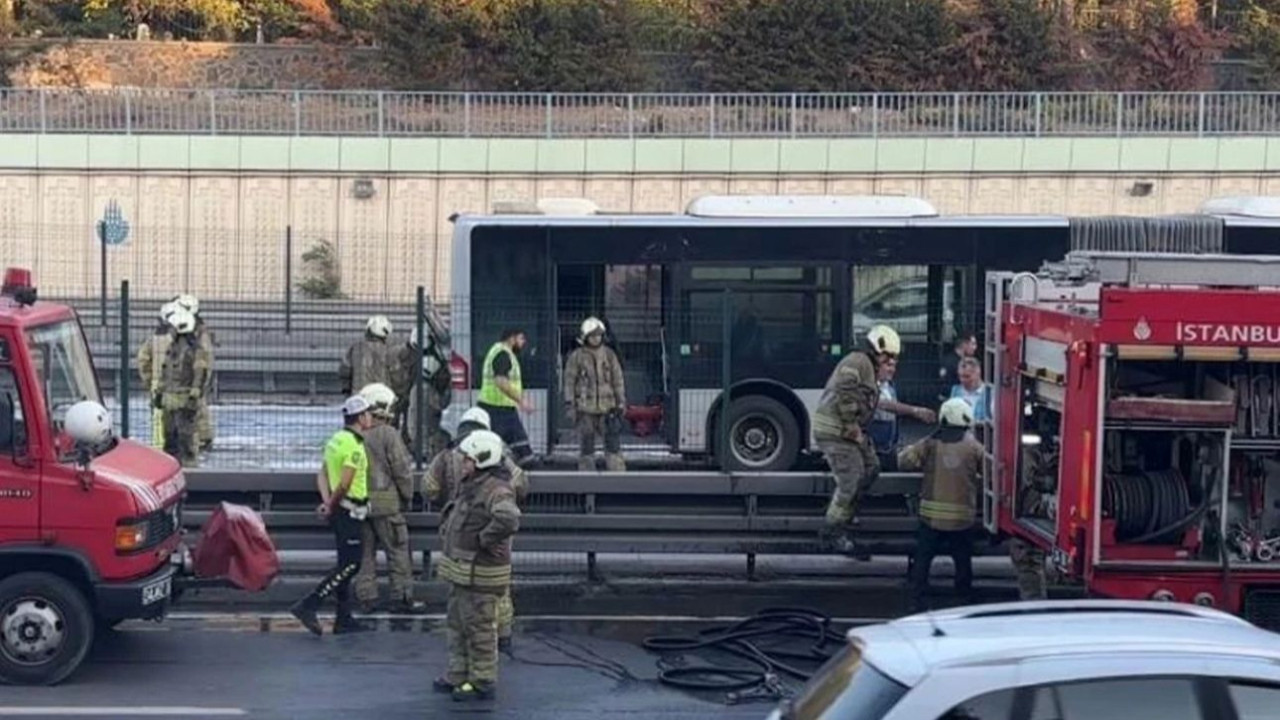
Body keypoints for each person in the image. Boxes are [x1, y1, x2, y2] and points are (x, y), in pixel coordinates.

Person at [425, 406, 527, 653]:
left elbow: (428, 488)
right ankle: (501, 635)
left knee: (459, 590)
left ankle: (464, 643)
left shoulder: (446, 455)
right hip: (492, 536)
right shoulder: (499, 456)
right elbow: (521, 485)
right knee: (497, 589)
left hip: (458, 534)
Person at [434, 429, 521, 701]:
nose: (463, 464)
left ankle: (482, 681)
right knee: (458, 625)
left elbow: (508, 518)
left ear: (482, 459)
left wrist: (485, 538)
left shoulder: (495, 489)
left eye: (468, 459)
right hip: (464, 573)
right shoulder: (472, 485)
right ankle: (458, 673)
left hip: (480, 576)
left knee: (480, 630)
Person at [290, 395, 377, 636]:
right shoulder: (355, 446)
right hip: (349, 509)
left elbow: (323, 473)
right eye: (368, 414)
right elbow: (346, 483)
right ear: (360, 417)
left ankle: (343, 618)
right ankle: (310, 603)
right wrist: (331, 502)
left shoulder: (335, 440)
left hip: (338, 509)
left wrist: (327, 502)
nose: (371, 418)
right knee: (352, 564)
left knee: (343, 563)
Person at [814, 324, 900, 555]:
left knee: (872, 468)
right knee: (850, 479)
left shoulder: (869, 368)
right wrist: (852, 424)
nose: (891, 363)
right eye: (888, 357)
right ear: (877, 350)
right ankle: (832, 531)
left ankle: (845, 511)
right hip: (836, 432)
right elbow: (846, 391)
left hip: (847, 431)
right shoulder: (858, 361)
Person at [899, 398, 984, 613]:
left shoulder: (930, 443)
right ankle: (964, 597)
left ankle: (918, 597)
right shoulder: (973, 446)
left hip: (931, 519)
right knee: (963, 559)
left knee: (923, 557)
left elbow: (904, 461)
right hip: (962, 520)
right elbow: (989, 471)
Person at [352, 383, 423, 614]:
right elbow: (401, 469)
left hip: (359, 505)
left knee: (365, 555)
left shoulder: (355, 434)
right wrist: (408, 495)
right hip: (388, 506)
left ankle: (367, 599)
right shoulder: (389, 434)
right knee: (398, 551)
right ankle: (401, 598)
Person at [563, 316, 627, 472]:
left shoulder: (610, 355)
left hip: (608, 409)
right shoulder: (576, 357)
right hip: (585, 410)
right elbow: (569, 382)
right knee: (587, 447)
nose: (596, 338)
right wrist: (570, 404)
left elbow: (618, 380)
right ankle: (586, 480)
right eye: (592, 335)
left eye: (598, 335)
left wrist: (621, 402)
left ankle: (619, 479)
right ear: (585, 337)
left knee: (613, 447)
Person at [157, 308, 209, 468]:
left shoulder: (195, 351)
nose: (170, 331)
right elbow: (165, 372)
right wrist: (159, 392)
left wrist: (194, 395)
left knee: (185, 438)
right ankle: (170, 467)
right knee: (169, 438)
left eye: (173, 327)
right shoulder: (172, 348)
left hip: (184, 400)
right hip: (170, 400)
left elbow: (200, 373)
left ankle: (188, 469)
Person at [394, 326, 452, 459]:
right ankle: (424, 453)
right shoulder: (434, 355)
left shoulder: (426, 360)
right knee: (424, 426)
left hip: (423, 392)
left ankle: (424, 454)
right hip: (429, 393)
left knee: (418, 427)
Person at [478, 328, 533, 464]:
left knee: (494, 451)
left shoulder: (499, 352)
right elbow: (500, 381)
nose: (523, 343)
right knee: (524, 454)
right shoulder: (503, 354)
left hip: (498, 408)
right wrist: (521, 400)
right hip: (498, 409)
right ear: (511, 339)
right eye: (521, 339)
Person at [867, 355, 936, 460]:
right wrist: (914, 411)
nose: (892, 370)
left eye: (894, 366)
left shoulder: (890, 386)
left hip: (889, 445)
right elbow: (882, 404)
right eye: (888, 365)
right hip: (872, 445)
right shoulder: (869, 385)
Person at [174, 294, 215, 452]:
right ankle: (203, 437)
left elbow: (203, 357)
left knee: (197, 402)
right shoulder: (196, 327)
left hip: (197, 368)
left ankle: (204, 438)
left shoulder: (198, 331)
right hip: (195, 367)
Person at [137, 301, 178, 450]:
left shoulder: (153, 339)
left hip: (158, 383)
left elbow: (143, 360)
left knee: (158, 419)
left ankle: (160, 448)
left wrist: (149, 380)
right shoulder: (183, 338)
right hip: (180, 383)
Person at [339, 315, 396, 397]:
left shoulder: (356, 348)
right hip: (384, 395)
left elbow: (344, 371)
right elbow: (398, 376)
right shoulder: (391, 351)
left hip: (359, 395)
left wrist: (347, 390)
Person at [938, 331, 977, 404]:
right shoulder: (957, 364)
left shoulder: (947, 359)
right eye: (973, 344)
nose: (975, 348)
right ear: (964, 344)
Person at [949, 357, 991, 423]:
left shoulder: (990, 393)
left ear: (978, 373)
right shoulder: (955, 391)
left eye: (967, 376)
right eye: (961, 376)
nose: (963, 380)